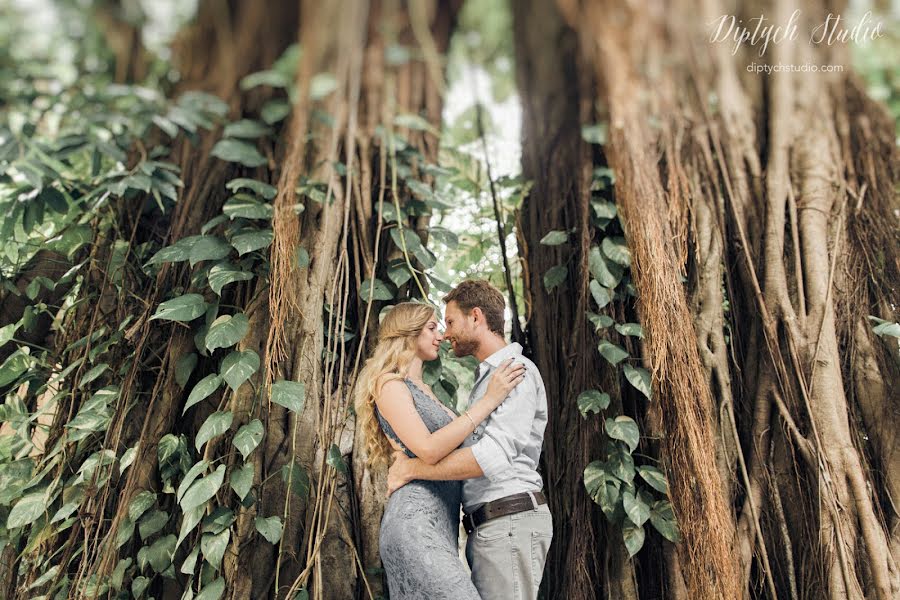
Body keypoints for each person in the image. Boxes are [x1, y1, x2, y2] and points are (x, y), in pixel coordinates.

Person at [387, 280, 553, 600]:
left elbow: (490, 456)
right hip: (494, 526)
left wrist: (412, 469)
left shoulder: (513, 372)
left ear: (476, 317)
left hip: (508, 521)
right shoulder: (490, 380)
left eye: (449, 322)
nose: (446, 333)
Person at [355, 301, 526, 599]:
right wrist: (490, 399)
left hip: (442, 528)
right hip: (413, 524)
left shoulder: (425, 389)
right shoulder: (390, 385)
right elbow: (429, 450)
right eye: (433, 328)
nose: (441, 336)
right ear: (408, 333)